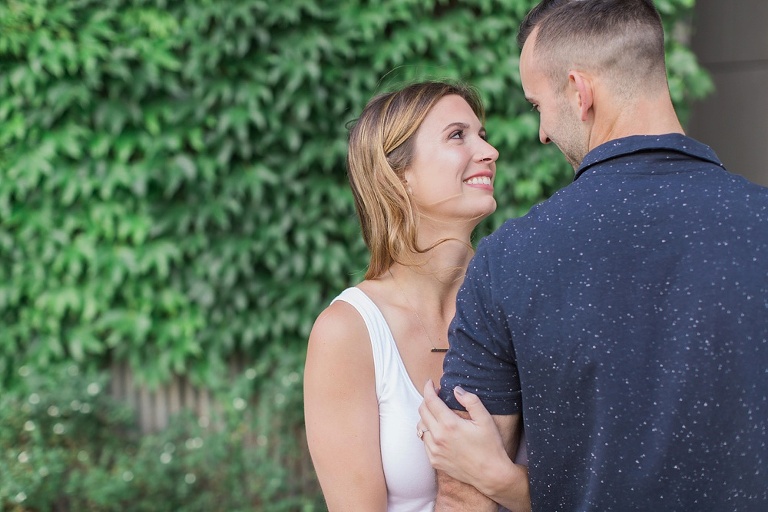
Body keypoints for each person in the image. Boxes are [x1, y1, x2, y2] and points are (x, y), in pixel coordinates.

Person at [418, 0, 768, 510]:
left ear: (579, 93)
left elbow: (464, 495)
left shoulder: (508, 259)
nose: (541, 132)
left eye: (539, 105)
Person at [304, 80, 500, 511]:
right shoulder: (349, 332)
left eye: (482, 135)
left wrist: (499, 480)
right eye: (457, 135)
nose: (490, 152)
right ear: (399, 175)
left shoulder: (515, 299)